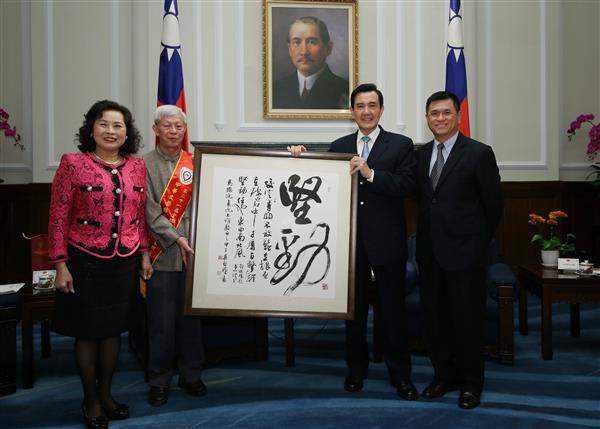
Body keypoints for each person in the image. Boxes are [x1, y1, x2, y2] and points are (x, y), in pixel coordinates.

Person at [288, 83, 417, 400]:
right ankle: (356, 370)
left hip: (387, 243)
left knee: (393, 312)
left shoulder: (401, 145)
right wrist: (299, 158)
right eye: (360, 106)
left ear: (381, 110)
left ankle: (400, 375)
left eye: (372, 105)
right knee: (353, 313)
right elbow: (319, 184)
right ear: (351, 111)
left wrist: (371, 174)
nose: (366, 111)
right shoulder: (340, 145)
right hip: (348, 244)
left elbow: (407, 185)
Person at [48, 100, 152, 428]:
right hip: (84, 262)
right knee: (88, 332)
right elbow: (58, 216)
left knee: (113, 331)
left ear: (127, 133)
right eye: (103, 124)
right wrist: (60, 264)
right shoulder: (73, 163)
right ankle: (90, 399)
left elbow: (139, 217)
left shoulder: (137, 167)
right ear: (91, 129)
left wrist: (144, 254)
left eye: (118, 125)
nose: (111, 131)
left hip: (124, 262)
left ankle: (106, 394)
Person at [415, 91, 503, 409]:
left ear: (458, 116)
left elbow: (494, 207)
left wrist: (476, 245)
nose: (440, 118)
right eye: (434, 113)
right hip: (430, 254)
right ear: (427, 118)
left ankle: (470, 385)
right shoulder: (421, 155)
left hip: (466, 256)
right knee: (435, 320)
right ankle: (444, 376)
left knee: (467, 322)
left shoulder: (478, 153)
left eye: (446, 112)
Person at [143, 105, 206, 407]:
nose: (173, 131)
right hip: (162, 255)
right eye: (167, 126)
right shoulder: (143, 165)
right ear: (156, 129)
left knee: (191, 321)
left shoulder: (195, 162)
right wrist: (176, 237)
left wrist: (193, 238)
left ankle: (191, 375)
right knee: (161, 323)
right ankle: (159, 380)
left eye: (178, 126)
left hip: (193, 254)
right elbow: (149, 212)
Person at [273, 16, 349, 109]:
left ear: (328, 48)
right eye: (297, 42)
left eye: (312, 42)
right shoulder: (276, 89)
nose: (304, 52)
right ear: (289, 49)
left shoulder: (345, 89)